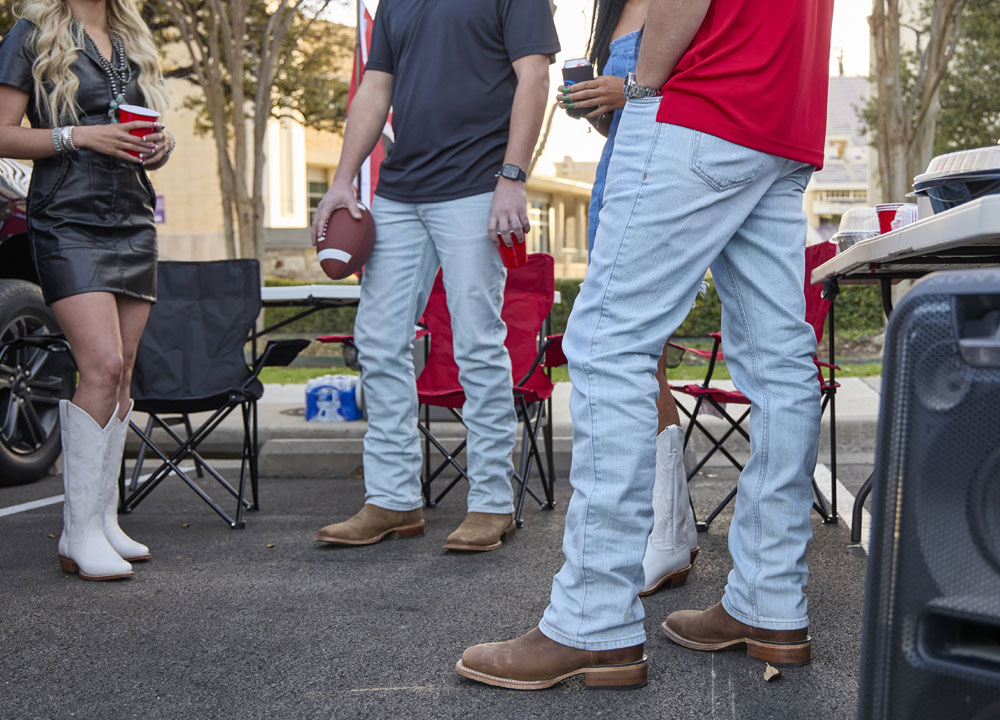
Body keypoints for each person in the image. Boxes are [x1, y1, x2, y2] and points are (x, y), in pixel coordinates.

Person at [458, 0, 834, 688]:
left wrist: (642, 85)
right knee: (781, 367)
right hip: (783, 115)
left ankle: (591, 621)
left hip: (701, 108)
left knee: (607, 346)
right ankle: (770, 601)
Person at [311, 1, 560, 553]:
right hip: (400, 191)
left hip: (478, 185)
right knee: (378, 342)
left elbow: (534, 76)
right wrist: (343, 180)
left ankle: (492, 503)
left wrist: (513, 177)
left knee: (476, 343)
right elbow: (376, 90)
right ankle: (393, 498)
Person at [0, 0, 172, 581]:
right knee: (99, 365)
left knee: (122, 372)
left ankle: (103, 518)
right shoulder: (32, 32)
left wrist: (158, 147)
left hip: (132, 216)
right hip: (67, 219)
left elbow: (131, 130)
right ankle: (76, 533)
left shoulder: (129, 35)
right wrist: (81, 136)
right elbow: (1, 134)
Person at [557, 0, 698, 598]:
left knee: (635, 360)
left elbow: (693, 94)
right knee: (642, 363)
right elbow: (627, 118)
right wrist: (599, 104)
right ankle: (669, 528)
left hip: (669, 177)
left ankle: (660, 535)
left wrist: (632, 91)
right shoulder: (610, 10)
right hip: (618, 175)